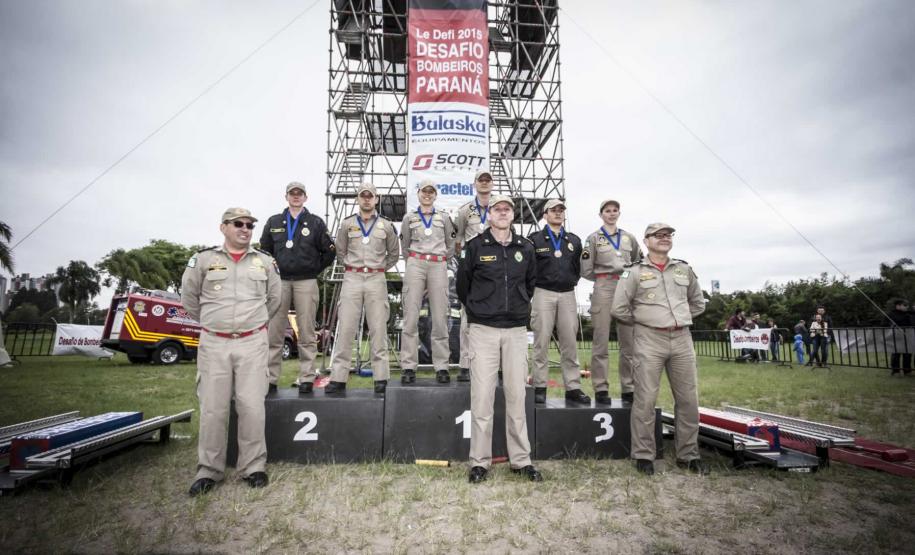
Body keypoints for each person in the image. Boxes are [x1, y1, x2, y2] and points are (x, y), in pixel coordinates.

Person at [181, 207, 282, 496]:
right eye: (238, 224)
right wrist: (215, 322)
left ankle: (253, 467)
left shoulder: (264, 261)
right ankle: (209, 470)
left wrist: (254, 322)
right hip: (215, 343)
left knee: (251, 406)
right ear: (223, 227)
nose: (245, 228)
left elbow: (274, 299)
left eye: (250, 224)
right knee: (214, 408)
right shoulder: (203, 260)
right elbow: (189, 296)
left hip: (252, 342)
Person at [457, 194, 542, 483]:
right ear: (489, 215)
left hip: (517, 331)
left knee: (517, 396)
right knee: (482, 398)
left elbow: (530, 284)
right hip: (483, 331)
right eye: (497, 209)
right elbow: (463, 286)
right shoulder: (474, 247)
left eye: (507, 209)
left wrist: (515, 307)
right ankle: (479, 462)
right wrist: (483, 310)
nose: (503, 212)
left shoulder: (526, 248)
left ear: (512, 215)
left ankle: (521, 460)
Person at [611, 223, 708, 475]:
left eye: (668, 235)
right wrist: (647, 321)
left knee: (688, 400)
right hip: (648, 340)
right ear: (646, 240)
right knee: (645, 399)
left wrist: (677, 319)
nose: (664, 239)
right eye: (658, 235)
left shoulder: (684, 269)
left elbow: (697, 304)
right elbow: (619, 308)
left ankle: (688, 454)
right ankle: (644, 455)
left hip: (682, 339)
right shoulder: (632, 272)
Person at [259, 182, 336, 394]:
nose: (295, 197)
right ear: (286, 197)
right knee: (274, 331)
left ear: (305, 197)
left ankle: (307, 378)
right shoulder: (274, 221)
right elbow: (264, 251)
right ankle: (270, 379)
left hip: (306, 281)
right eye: (292, 194)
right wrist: (272, 272)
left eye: (299, 194)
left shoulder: (315, 222)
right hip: (279, 281)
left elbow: (330, 251)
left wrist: (313, 270)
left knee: (307, 331)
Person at [326, 183, 400, 394]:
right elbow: (341, 251)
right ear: (358, 199)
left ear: (376, 199)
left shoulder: (385, 225)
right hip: (352, 277)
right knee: (346, 327)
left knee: (378, 328)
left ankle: (381, 378)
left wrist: (379, 268)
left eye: (371, 196)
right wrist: (353, 267)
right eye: (363, 196)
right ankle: (339, 378)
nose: (367, 199)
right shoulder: (347, 224)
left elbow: (394, 253)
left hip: (376, 278)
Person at [580, 199, 642, 405]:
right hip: (604, 287)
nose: (612, 213)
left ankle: (629, 388)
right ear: (601, 214)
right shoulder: (593, 239)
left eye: (615, 210)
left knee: (629, 343)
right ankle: (601, 389)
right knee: (601, 342)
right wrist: (602, 278)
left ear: (619, 213)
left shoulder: (629, 238)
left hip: (625, 289)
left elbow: (638, 262)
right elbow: (586, 268)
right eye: (608, 211)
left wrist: (627, 281)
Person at [527, 198, 588, 404]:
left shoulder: (574, 240)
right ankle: (539, 386)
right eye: (553, 210)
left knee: (569, 343)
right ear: (545, 215)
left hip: (567, 294)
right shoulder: (535, 239)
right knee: (541, 341)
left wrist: (569, 281)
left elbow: (579, 268)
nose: (558, 213)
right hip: (543, 292)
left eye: (561, 210)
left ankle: (573, 387)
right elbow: (528, 268)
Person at [399, 179, 455, 384]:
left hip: (438, 264)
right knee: (411, 316)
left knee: (440, 317)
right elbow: (404, 246)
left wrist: (438, 259)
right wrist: (415, 261)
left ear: (435, 194)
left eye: (431, 191)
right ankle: (408, 366)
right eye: (424, 191)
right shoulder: (409, 218)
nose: (427, 195)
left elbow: (451, 245)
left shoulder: (444, 218)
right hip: (416, 263)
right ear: (419, 193)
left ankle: (441, 366)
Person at [453, 170, 493, 382]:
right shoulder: (465, 210)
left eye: (488, 180)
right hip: (473, 268)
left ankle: (499, 366)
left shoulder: (501, 207)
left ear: (492, 184)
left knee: (498, 316)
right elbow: (458, 240)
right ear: (475, 184)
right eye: (481, 180)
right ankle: (465, 365)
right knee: (467, 315)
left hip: (496, 267)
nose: (484, 183)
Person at [889, 299, 912, 376]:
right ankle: (896, 371)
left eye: (907, 305)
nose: (907, 307)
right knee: (896, 354)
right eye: (904, 305)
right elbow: (885, 324)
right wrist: (892, 326)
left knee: (907, 354)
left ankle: (907, 370)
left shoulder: (908, 314)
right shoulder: (891, 314)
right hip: (896, 337)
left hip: (907, 336)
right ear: (898, 306)